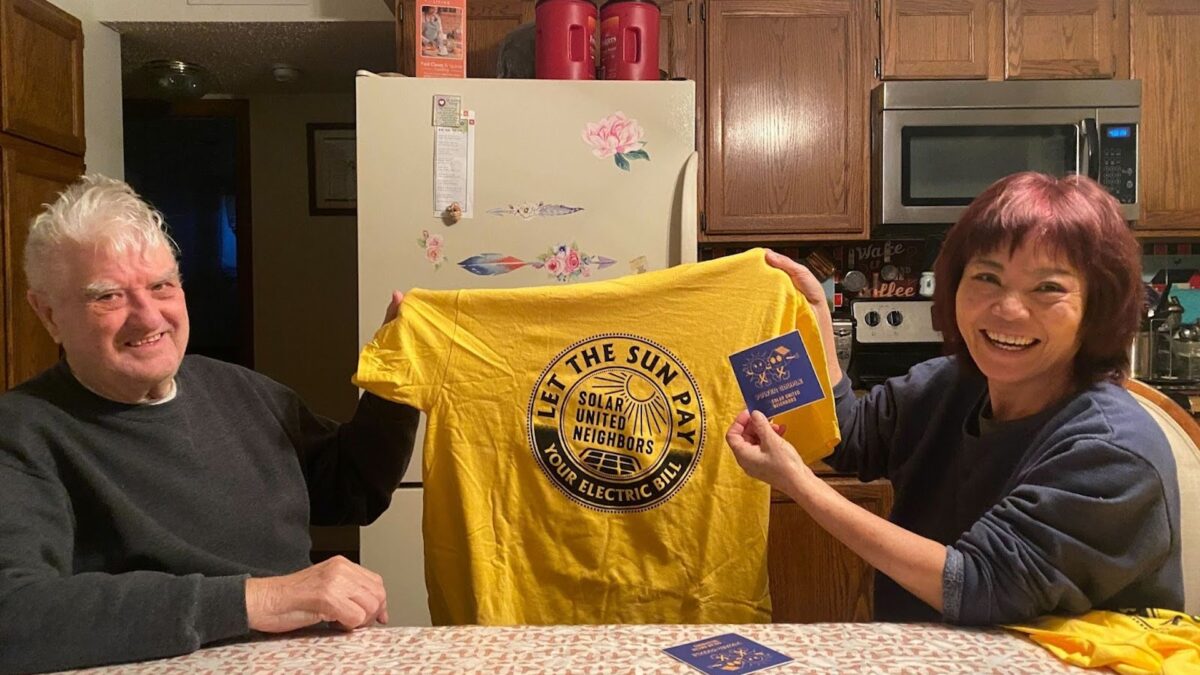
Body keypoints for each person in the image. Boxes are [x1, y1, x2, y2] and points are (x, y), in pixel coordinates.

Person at [0, 175, 419, 673]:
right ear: (47, 314)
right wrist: (258, 600)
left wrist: (396, 380)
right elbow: (16, 616)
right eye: (108, 297)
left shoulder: (240, 390)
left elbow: (350, 491)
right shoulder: (22, 432)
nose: (147, 316)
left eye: (161, 286)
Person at [733, 172, 1183, 625]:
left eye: (1048, 288)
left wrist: (798, 484)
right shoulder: (947, 386)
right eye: (987, 277)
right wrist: (816, 325)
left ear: (1097, 306)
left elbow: (975, 585)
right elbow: (850, 436)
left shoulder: (1113, 450)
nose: (1008, 309)